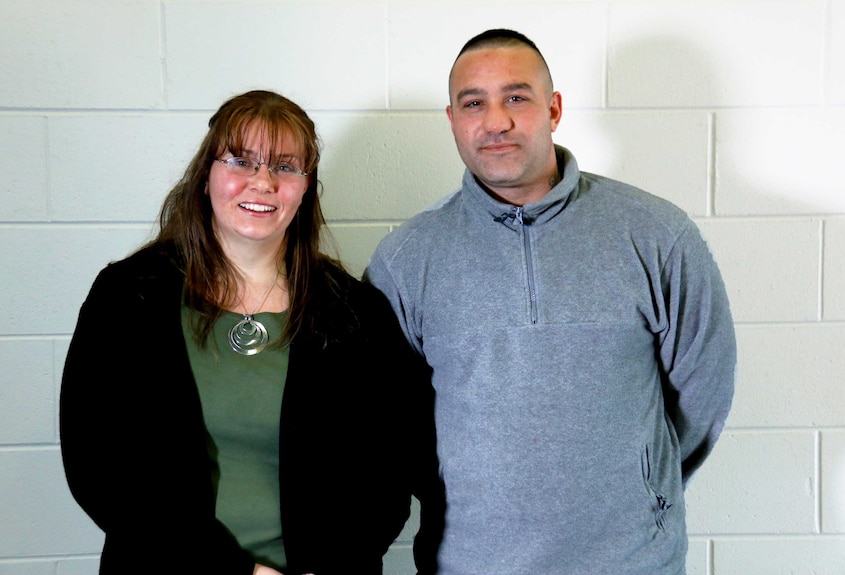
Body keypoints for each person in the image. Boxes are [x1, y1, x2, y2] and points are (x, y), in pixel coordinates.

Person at [364, 29, 736, 574]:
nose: (496, 121)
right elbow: (393, 424)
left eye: (516, 97)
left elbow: (704, 389)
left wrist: (644, 485)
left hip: (633, 563)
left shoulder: (656, 234)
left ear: (554, 108)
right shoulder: (406, 260)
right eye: (474, 103)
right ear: (452, 120)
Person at [60, 90, 439, 575]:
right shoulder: (129, 297)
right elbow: (100, 465)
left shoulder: (355, 311)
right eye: (241, 160)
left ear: (306, 188)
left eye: (284, 167)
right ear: (207, 176)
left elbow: (388, 471)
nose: (262, 182)